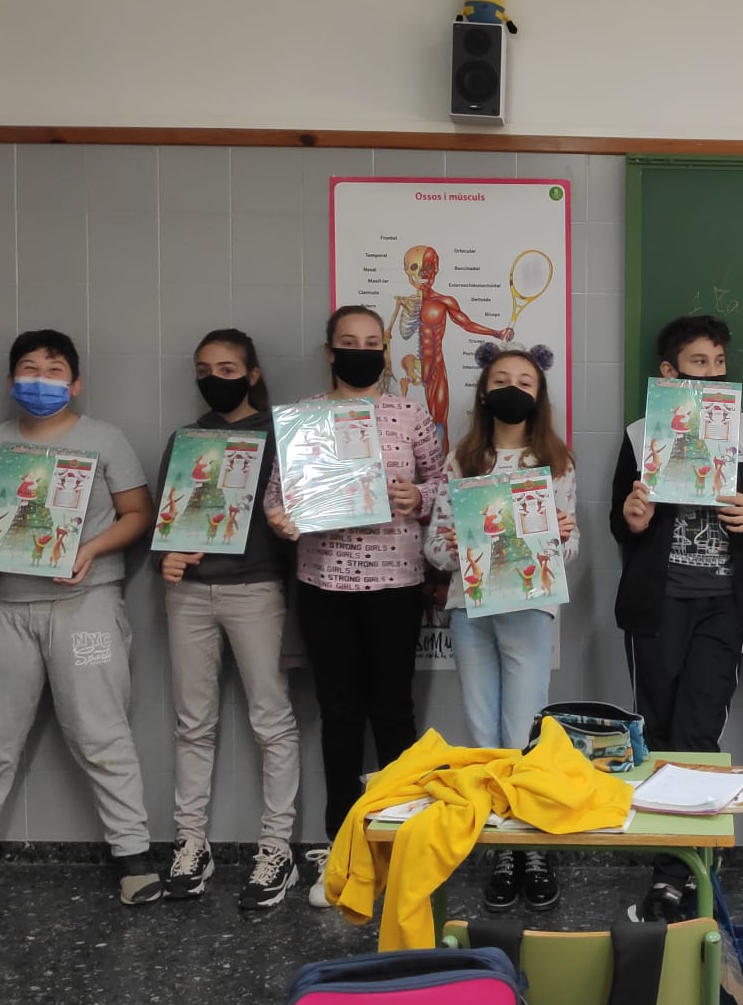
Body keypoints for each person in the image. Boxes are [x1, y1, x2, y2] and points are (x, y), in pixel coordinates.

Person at [0, 330, 162, 909]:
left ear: (75, 384)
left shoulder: (103, 438)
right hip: (3, 609)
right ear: (10, 381)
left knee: (102, 734)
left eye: (54, 371)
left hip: (85, 606)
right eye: (28, 369)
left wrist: (90, 550)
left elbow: (138, 513)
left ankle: (132, 856)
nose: (40, 380)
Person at [266, 305, 444, 906]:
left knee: (394, 713)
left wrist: (419, 496)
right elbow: (275, 496)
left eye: (372, 343)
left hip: (397, 584)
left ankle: (401, 846)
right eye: (349, 341)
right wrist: (281, 519)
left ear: (385, 351)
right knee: (339, 717)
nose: (360, 351)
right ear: (329, 351)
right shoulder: (305, 418)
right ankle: (341, 852)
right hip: (324, 585)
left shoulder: (410, 414)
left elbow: (443, 487)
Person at [610, 315, 743, 922]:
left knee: (699, 734)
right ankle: (666, 865)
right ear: (669, 372)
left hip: (722, 607)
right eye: (698, 363)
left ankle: (680, 874)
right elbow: (619, 521)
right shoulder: (640, 433)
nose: (711, 372)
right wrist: (632, 517)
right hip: (657, 607)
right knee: (656, 732)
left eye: (718, 362)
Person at [425, 345, 579, 913]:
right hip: (470, 609)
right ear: (484, 392)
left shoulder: (555, 463)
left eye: (525, 382)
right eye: (501, 380)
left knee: (523, 727)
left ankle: (531, 844)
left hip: (529, 609)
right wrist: (456, 544)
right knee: (481, 729)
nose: (513, 389)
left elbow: (571, 549)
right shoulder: (461, 460)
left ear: (539, 396)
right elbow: (434, 549)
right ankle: (499, 847)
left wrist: (560, 534)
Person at [158, 329, 301, 910]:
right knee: (193, 723)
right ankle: (190, 844)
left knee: (272, 720)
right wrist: (165, 555)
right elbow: (167, 518)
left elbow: (302, 510)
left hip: (257, 590)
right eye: (204, 370)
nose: (214, 378)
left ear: (252, 374)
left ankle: (277, 848)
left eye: (227, 368)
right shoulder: (186, 439)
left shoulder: (281, 434)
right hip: (188, 594)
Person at [393, 244, 515, 446]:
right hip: (415, 370)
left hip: (436, 369)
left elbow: (467, 324)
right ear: (407, 270)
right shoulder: (408, 303)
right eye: (415, 268)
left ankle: (441, 466)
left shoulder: (444, 302)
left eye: (428, 267)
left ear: (435, 270)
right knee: (410, 428)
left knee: (440, 425)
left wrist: (496, 332)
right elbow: (399, 334)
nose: (422, 274)